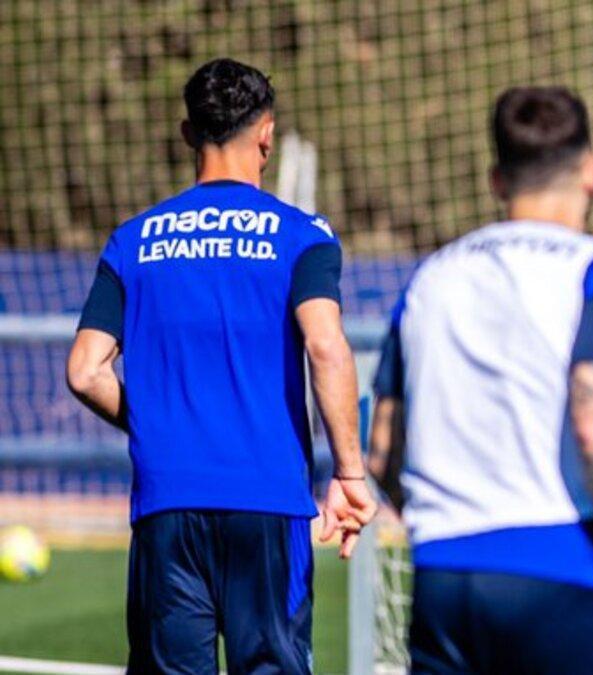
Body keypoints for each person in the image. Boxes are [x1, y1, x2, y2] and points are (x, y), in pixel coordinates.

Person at [368, 86, 593, 674]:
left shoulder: (429, 279)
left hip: (442, 580)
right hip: (556, 575)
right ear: (592, 170)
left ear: (496, 179)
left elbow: (383, 451)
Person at [66, 58, 377, 673]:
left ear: (189, 135)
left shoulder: (134, 239)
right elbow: (325, 345)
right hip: (266, 499)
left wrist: (156, 423)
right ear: (267, 134)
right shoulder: (301, 235)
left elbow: (85, 370)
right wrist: (350, 472)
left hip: (167, 502)